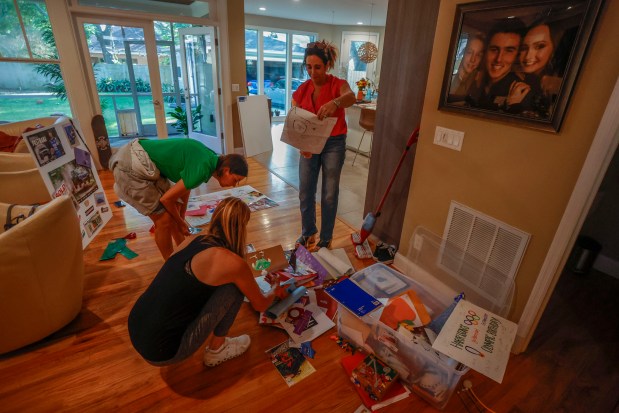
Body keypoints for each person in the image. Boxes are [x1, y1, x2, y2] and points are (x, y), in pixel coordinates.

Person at [128, 196, 289, 367]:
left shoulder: (192, 240)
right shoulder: (232, 262)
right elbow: (261, 305)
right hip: (164, 352)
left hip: (136, 326)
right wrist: (275, 289)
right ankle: (217, 350)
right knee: (234, 288)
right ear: (242, 228)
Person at [110, 138, 248, 260]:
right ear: (226, 170)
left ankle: (182, 255)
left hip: (142, 159)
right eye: (235, 180)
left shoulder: (211, 160)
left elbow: (185, 188)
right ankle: (170, 265)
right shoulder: (203, 168)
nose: (234, 184)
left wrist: (181, 218)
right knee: (163, 220)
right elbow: (166, 200)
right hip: (130, 163)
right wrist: (181, 222)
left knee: (175, 211)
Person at [292, 39, 356, 251]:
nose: (312, 72)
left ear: (327, 66)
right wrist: (301, 143)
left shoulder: (338, 85)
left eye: (317, 67)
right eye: (308, 67)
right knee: (305, 190)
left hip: (334, 144)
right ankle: (308, 232)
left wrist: (335, 102)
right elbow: (295, 120)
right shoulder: (301, 90)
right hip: (310, 143)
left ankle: (326, 237)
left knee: (329, 192)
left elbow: (351, 96)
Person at [465, 18, 532, 113]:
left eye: (509, 50)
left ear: (517, 56)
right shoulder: (476, 80)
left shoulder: (520, 91)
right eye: (494, 49)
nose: (498, 59)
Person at [449, 34, 485, 102]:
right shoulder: (449, 76)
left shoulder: (478, 83)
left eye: (478, 55)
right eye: (469, 52)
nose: (473, 59)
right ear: (463, 53)